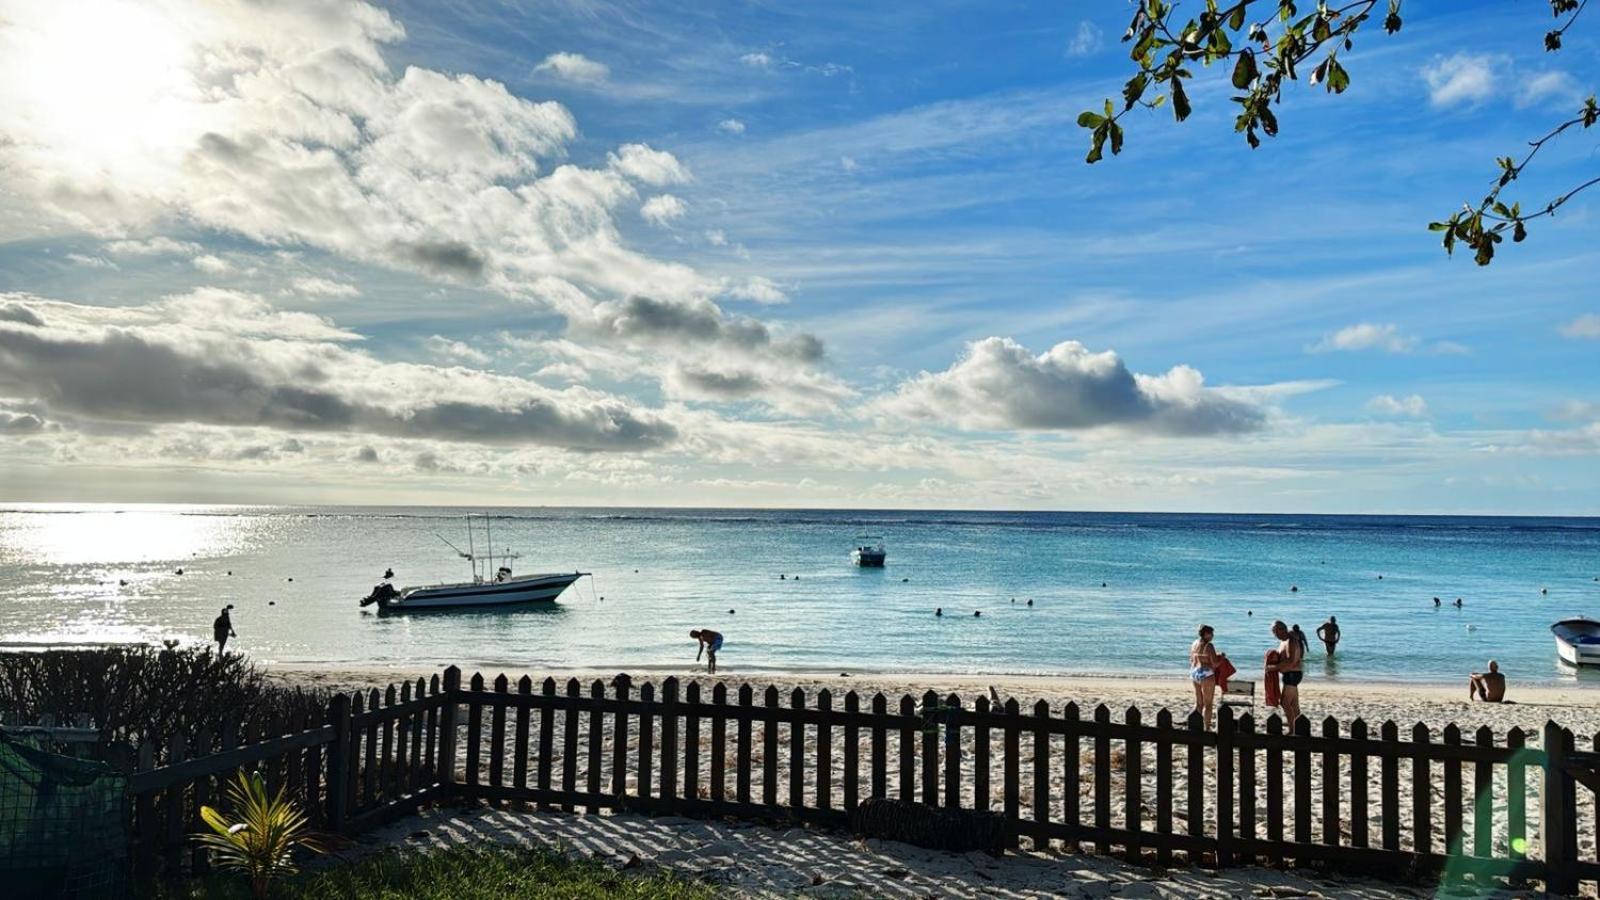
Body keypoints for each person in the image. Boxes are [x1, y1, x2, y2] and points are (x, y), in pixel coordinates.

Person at [1267, 620, 1304, 726]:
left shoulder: (1290, 641)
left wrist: (1273, 668)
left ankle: (1292, 729)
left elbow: (1291, 661)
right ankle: (1299, 728)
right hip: (1289, 674)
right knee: (1294, 704)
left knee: (1285, 702)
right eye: (1274, 631)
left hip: (1293, 674)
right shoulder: (1283, 641)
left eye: (1277, 631)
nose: (1275, 634)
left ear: (1284, 629)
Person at [1189, 625, 1224, 729]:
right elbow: (1214, 664)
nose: (1212, 636)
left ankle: (1196, 725)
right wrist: (1222, 658)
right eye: (1211, 633)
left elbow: (1192, 659)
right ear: (1206, 634)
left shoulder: (1195, 643)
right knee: (1208, 704)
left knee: (1199, 703)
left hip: (1194, 672)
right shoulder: (1209, 646)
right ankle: (1207, 728)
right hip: (1206, 674)